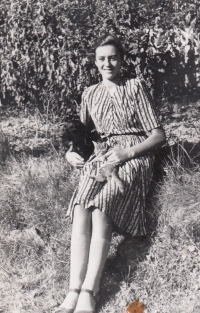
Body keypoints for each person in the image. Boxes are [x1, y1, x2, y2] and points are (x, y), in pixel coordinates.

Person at [56, 34, 166, 313]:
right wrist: (71, 152)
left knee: (101, 207)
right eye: (102, 59)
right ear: (95, 62)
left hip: (134, 155)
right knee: (81, 205)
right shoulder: (90, 94)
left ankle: (89, 293)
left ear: (122, 60)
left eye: (113, 57)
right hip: (102, 156)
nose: (108, 63)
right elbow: (81, 135)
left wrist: (128, 153)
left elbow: (158, 135)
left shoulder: (135, 87)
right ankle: (73, 290)